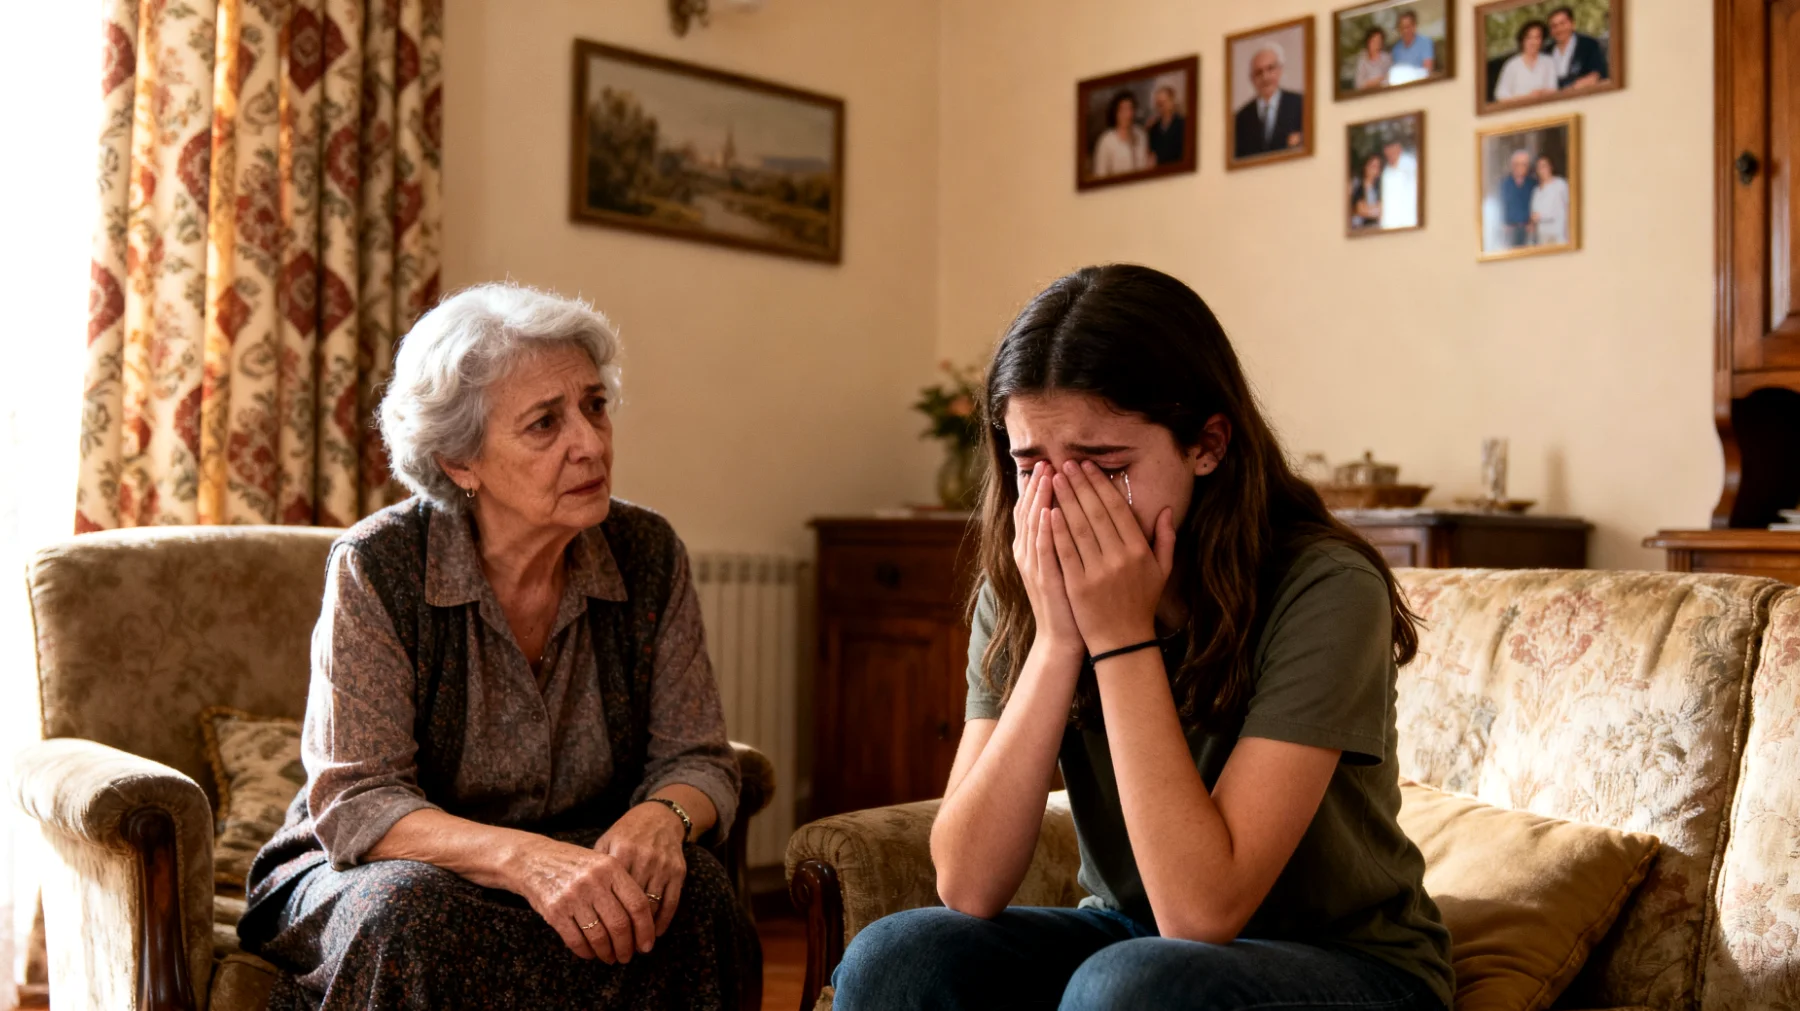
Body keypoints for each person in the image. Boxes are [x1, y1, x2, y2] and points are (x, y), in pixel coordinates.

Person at [829, 264, 1455, 1011]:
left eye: (1105, 466)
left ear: (1207, 444)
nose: (1062, 502)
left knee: (1130, 986)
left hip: (1347, 959)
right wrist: (1057, 642)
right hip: (1135, 934)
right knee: (896, 958)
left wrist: (1121, 636)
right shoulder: (1025, 583)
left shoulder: (1326, 587)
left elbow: (1202, 912)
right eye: (1031, 465)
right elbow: (966, 883)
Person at [237, 284, 757, 1009]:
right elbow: (359, 800)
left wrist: (662, 818)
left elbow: (697, 755)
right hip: (390, 868)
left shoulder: (647, 552)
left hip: (579, 850)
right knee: (408, 914)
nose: (590, 443)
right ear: (460, 462)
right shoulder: (380, 564)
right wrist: (526, 859)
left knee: (695, 894)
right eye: (545, 423)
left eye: (595, 406)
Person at [1233, 42, 1306, 159]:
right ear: (1252, 78)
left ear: (1280, 70)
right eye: (1259, 72)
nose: (1265, 77)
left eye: (1270, 68)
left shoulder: (1301, 104)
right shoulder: (1239, 119)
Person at [1494, 20, 1558, 101]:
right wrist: (1527, 97)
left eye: (1537, 37)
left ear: (1542, 40)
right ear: (1522, 40)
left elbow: (1553, 89)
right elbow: (1500, 95)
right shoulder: (1512, 64)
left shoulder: (1548, 62)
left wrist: (1541, 93)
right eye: (1529, 38)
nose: (1533, 42)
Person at [1548, 6, 1609, 90]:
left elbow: (1597, 74)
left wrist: (1576, 87)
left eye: (1562, 23)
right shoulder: (1546, 52)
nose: (1559, 29)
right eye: (1554, 26)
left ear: (1573, 24)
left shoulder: (1588, 44)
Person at [1093, 90, 1151, 177]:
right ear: (1116, 113)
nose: (1128, 114)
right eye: (1123, 110)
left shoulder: (1141, 135)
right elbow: (1100, 174)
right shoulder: (1106, 141)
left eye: (1131, 109)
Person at [1498, 148, 1538, 248]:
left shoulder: (1533, 183)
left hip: (1528, 228)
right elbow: (1501, 205)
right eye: (1517, 164)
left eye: (1524, 164)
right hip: (1510, 228)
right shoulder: (1505, 183)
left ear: (1528, 166)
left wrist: (1532, 223)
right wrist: (1504, 223)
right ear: (1512, 165)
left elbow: (1537, 205)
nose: (1520, 167)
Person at [1530, 153, 1570, 245]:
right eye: (1539, 167)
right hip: (1542, 234)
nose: (1542, 170)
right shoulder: (1536, 191)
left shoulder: (1561, 184)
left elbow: (1569, 206)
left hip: (1559, 233)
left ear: (1551, 167)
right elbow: (1534, 214)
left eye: (1544, 166)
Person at [1378, 139, 1419, 230]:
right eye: (1387, 150)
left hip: (1411, 222)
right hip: (1390, 225)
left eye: (1393, 149)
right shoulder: (1386, 173)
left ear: (1399, 148)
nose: (1390, 153)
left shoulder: (1412, 165)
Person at [1388, 11, 1436, 81]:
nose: (1405, 31)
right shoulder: (1396, 49)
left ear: (1414, 27)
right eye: (1402, 27)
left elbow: (1428, 71)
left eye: (1407, 27)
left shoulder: (1425, 42)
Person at [1146, 85, 1187, 167]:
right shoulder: (1153, 129)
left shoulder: (1183, 124)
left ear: (1172, 101)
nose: (1161, 107)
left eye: (1164, 102)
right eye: (1158, 104)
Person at [1349, 153, 1383, 231]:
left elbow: (1383, 209)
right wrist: (1375, 210)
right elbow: (1361, 210)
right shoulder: (1357, 184)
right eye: (1372, 165)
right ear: (1365, 166)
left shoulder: (1379, 188)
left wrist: (1370, 210)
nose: (1374, 169)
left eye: (1377, 167)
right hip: (1358, 229)